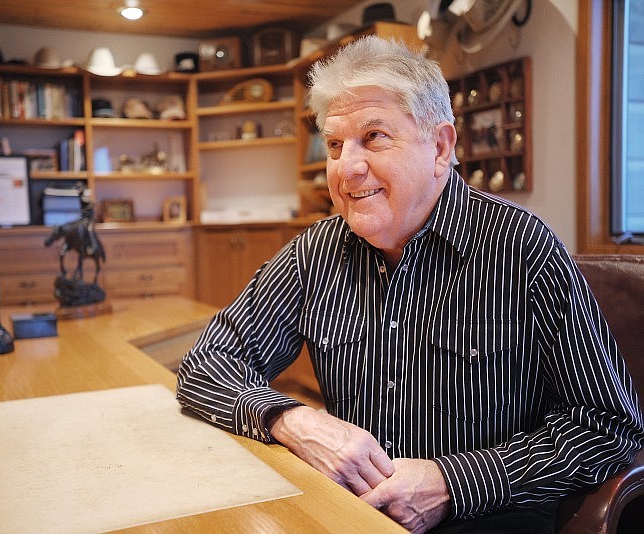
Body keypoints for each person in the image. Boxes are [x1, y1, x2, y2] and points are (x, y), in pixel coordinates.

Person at [176, 36, 644, 533]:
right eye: (335, 145)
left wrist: (450, 483)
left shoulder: (521, 248)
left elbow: (607, 426)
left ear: (440, 147)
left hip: (488, 516)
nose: (347, 168)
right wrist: (295, 421)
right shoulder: (315, 252)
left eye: (374, 137)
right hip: (353, 514)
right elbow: (206, 365)